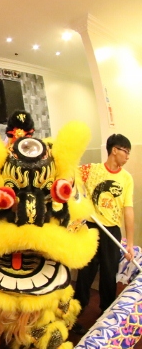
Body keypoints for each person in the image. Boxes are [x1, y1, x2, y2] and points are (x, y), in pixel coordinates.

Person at [73, 134, 135, 333]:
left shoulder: (126, 178)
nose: (128, 156)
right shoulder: (91, 170)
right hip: (91, 228)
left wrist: (129, 244)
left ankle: (106, 313)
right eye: (126, 151)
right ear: (114, 150)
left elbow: (128, 210)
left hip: (112, 231)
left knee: (109, 273)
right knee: (86, 272)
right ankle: (74, 313)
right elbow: (69, 176)